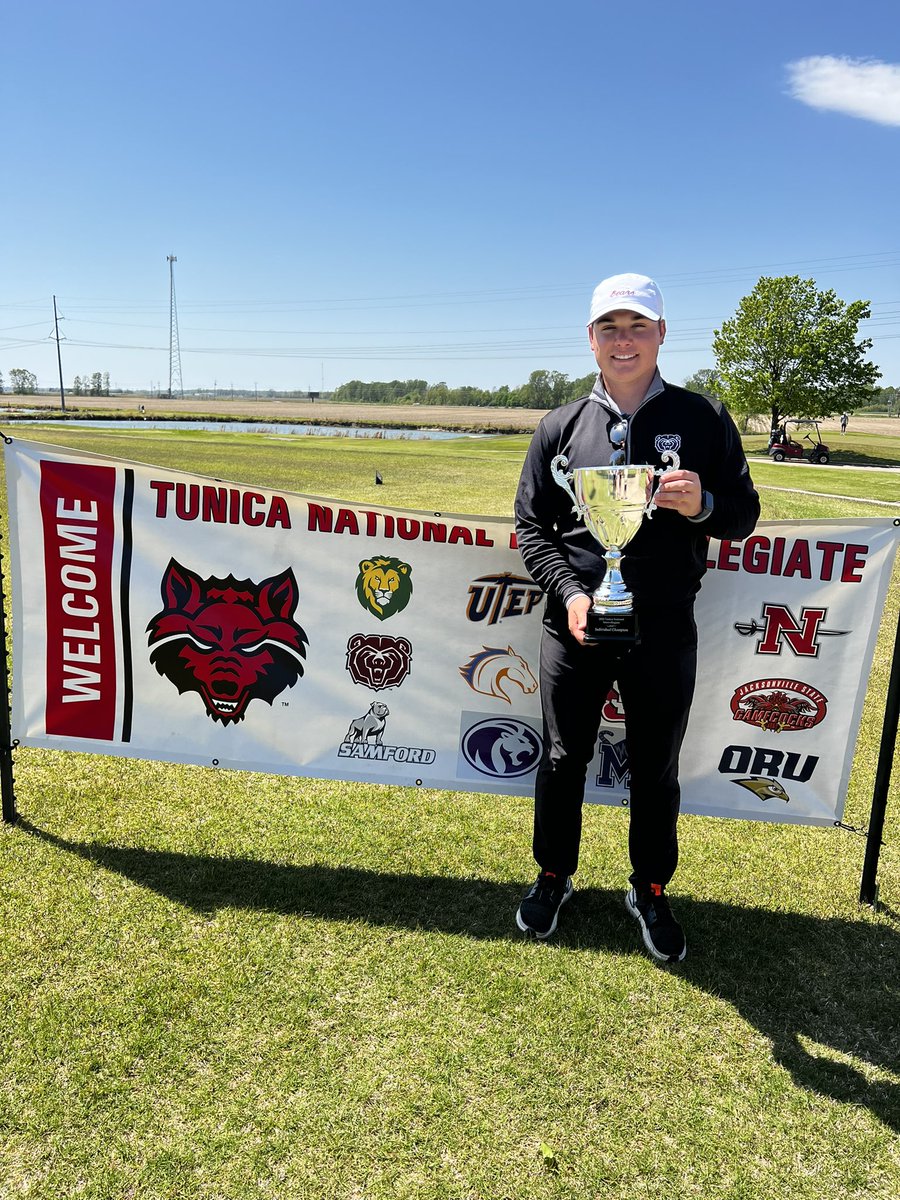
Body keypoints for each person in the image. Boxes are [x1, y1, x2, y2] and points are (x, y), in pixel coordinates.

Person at [513, 273, 760, 963]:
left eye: (638, 327)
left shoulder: (703, 417)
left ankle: (649, 887)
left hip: (665, 626)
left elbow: (743, 515)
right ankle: (554, 874)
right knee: (562, 758)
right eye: (611, 328)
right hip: (575, 624)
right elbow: (532, 528)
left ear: (662, 334)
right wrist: (571, 593)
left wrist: (703, 504)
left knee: (655, 765)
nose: (624, 341)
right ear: (591, 339)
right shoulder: (560, 427)